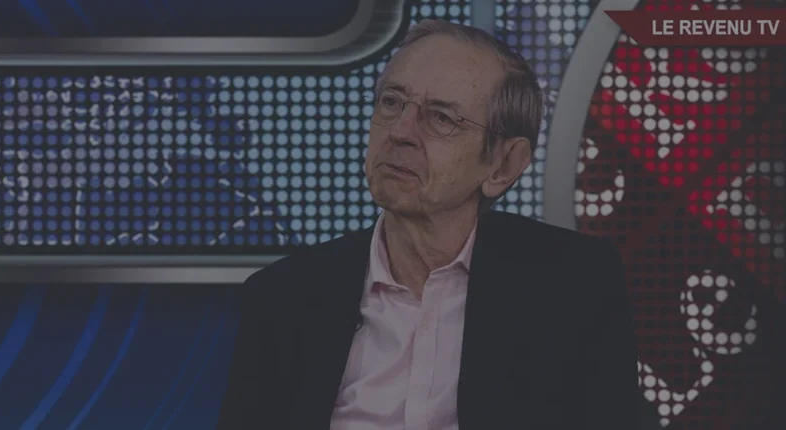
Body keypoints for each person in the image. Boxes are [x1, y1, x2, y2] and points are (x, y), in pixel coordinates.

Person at [217, 19, 639, 429]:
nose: (400, 132)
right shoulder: (282, 299)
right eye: (391, 102)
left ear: (503, 165)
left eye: (441, 118)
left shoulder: (573, 285)